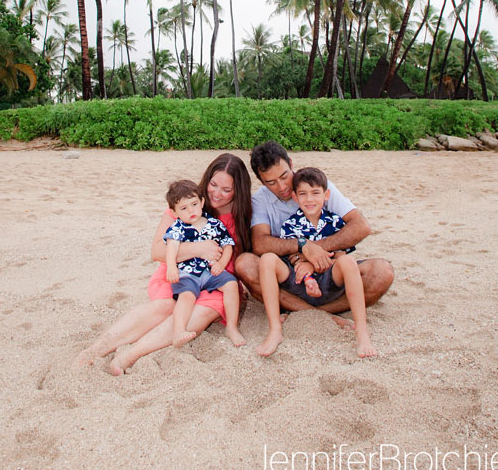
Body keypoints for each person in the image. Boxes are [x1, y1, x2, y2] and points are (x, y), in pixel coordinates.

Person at [75, 153, 252, 375]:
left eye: (226, 190)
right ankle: (96, 350)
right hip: (182, 270)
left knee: (202, 313)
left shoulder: (245, 213)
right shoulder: (186, 204)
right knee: (167, 305)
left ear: (239, 190)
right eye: (213, 185)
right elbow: (157, 251)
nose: (216, 194)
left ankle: (131, 354)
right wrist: (198, 248)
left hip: (216, 278)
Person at [235, 141, 394, 326]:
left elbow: (361, 226)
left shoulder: (316, 185)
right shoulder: (260, 200)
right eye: (271, 182)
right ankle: (315, 313)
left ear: (291, 163)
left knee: (383, 272)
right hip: (290, 275)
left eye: (284, 176)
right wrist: (303, 246)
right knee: (245, 264)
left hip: (330, 267)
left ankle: (314, 312)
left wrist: (315, 250)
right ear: (261, 181)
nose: (282, 187)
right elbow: (260, 244)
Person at [256, 167, 377, 358]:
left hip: (329, 277)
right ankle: (274, 330)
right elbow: (293, 258)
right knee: (267, 259)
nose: (309, 199)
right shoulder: (290, 225)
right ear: (295, 197)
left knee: (348, 261)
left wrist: (313, 263)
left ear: (326, 195)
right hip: (300, 280)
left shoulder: (336, 222)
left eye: (315, 193)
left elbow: (340, 253)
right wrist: (308, 278)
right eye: (303, 194)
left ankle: (362, 332)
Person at [163, 179, 245, 348]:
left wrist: (221, 264)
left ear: (202, 202)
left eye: (194, 204)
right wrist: (171, 267)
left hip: (210, 271)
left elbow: (227, 244)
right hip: (188, 272)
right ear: (175, 212)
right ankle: (179, 331)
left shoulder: (214, 224)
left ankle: (231, 327)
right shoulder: (178, 227)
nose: (191, 210)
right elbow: (171, 247)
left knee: (230, 284)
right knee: (186, 297)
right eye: (184, 208)